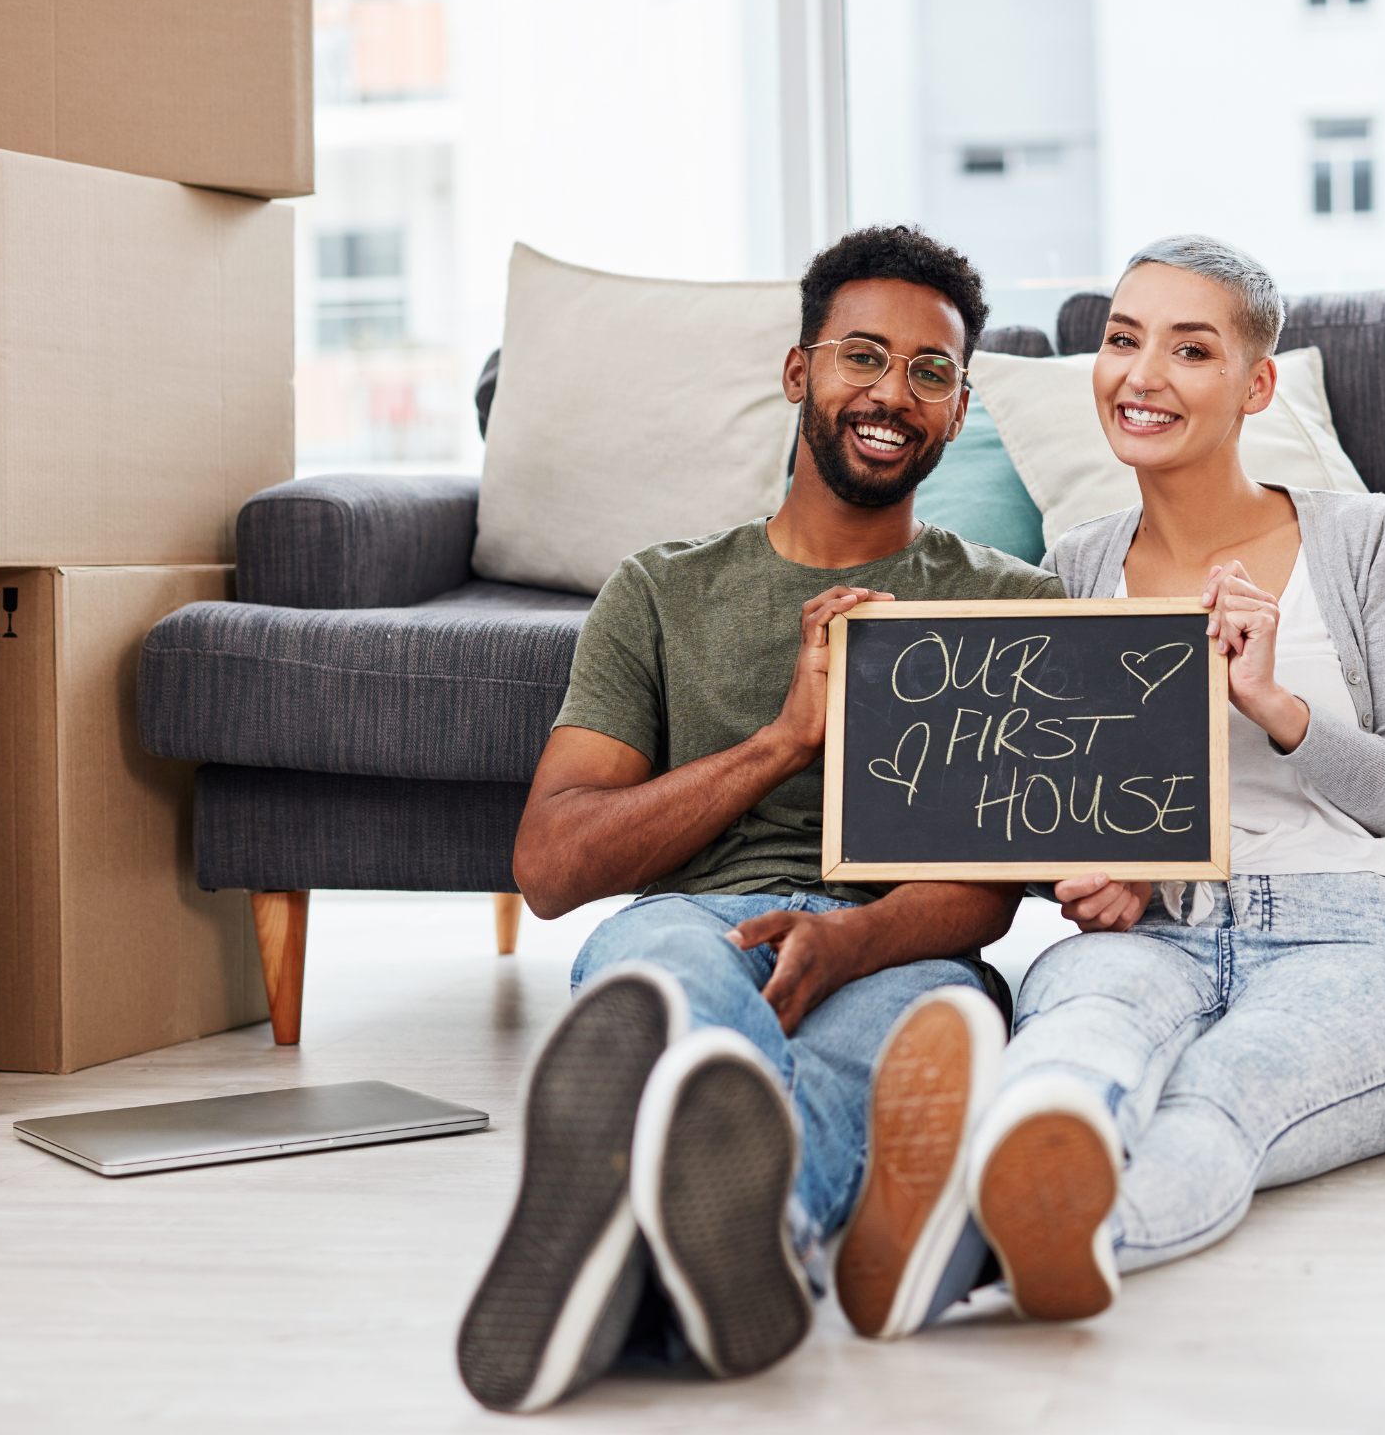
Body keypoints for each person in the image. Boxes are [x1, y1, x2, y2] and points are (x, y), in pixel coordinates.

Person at [454, 225, 1062, 1413]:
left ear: (955, 407)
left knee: (916, 1039)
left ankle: (664, 1246)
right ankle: (736, 1249)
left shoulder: (1009, 601)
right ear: (799, 374)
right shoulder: (660, 591)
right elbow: (553, 863)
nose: (891, 393)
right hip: (697, 923)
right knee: (666, 988)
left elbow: (994, 889)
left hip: (900, 942)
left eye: (929, 372)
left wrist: (849, 940)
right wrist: (784, 739)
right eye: (862, 357)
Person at [845, 233, 1385, 1335]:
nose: (1140, 376)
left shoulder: (1365, 538)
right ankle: (979, 1210)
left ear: (1254, 384)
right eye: (1121, 340)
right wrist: (1085, 873)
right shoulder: (1075, 565)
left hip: (1351, 930)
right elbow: (1053, 804)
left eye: (1189, 350)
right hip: (1150, 930)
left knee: (1214, 1099)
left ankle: (965, 1254)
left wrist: (1275, 708)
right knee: (1070, 1054)